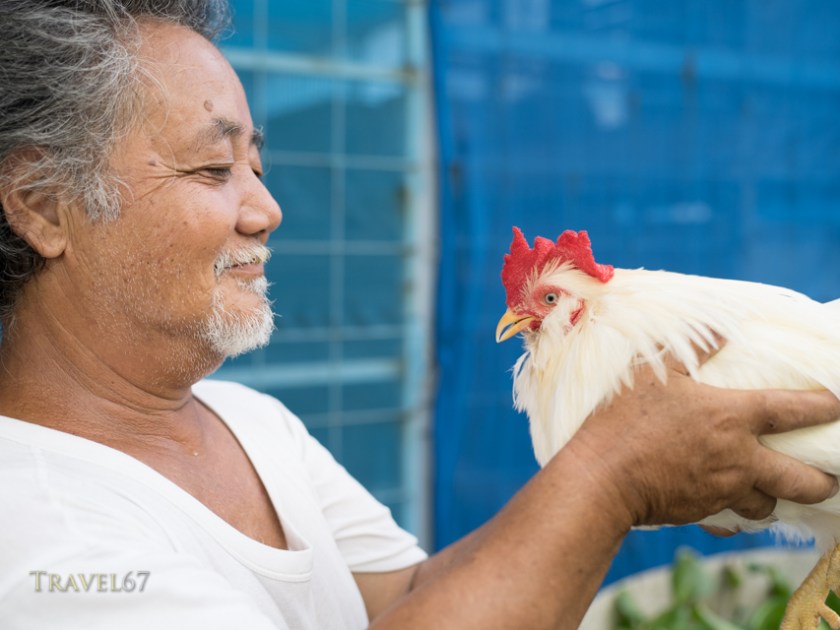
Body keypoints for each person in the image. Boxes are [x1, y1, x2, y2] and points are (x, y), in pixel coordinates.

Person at [0, 1, 837, 628]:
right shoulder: (45, 540)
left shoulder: (250, 423)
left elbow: (410, 599)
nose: (267, 208)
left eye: (257, 163)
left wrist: (631, 477)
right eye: (212, 169)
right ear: (44, 206)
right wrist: (613, 474)